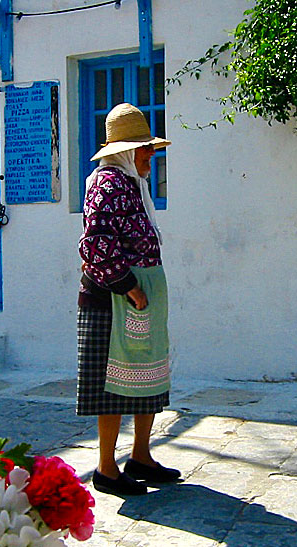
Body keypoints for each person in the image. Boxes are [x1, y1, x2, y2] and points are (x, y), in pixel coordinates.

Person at [77, 103, 180, 496]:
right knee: (113, 386)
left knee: (146, 377)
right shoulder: (108, 185)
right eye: (145, 149)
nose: (152, 155)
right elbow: (95, 245)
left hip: (138, 297)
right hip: (113, 298)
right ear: (125, 151)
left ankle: (140, 457)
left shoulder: (131, 183)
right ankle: (106, 468)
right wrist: (129, 287)